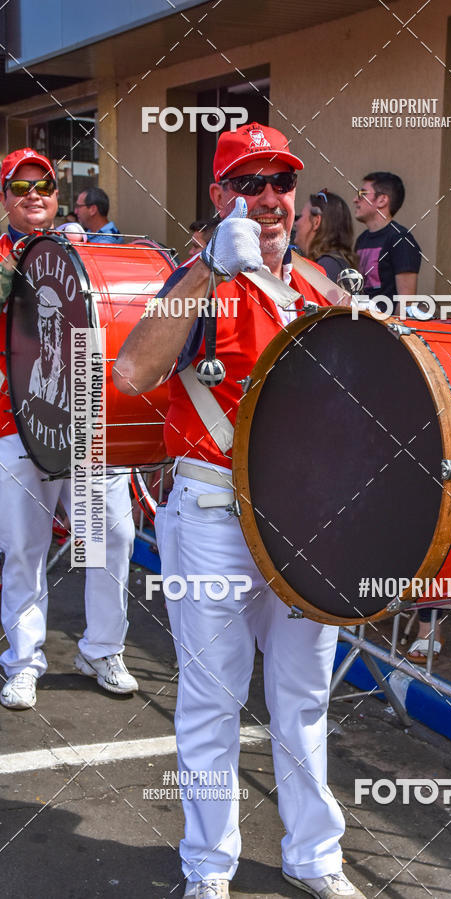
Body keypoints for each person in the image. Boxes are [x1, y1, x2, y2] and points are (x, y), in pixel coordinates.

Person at [114, 122, 365, 899]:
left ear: (300, 199)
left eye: (280, 182)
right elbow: (130, 372)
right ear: (220, 196)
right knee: (213, 698)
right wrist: (205, 273)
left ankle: (315, 855)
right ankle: (208, 866)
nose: (267, 199)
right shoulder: (199, 277)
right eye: (247, 183)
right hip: (215, 515)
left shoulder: (325, 289)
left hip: (307, 522)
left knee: (302, 698)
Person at [0, 147, 137, 710]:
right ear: (5, 198)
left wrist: (81, 255)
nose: (35, 195)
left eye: (45, 186)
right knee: (23, 549)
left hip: (84, 423)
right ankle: (24, 660)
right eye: (21, 187)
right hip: (16, 424)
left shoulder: (82, 251)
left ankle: (101, 648)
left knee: (108, 538)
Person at [353, 171, 421, 302]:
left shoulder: (401, 239)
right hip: (360, 319)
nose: (355, 199)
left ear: (382, 200)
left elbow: (406, 302)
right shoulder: (362, 239)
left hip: (384, 321)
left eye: (363, 194)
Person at [293, 189, 358, 281]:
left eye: (299, 217)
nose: (296, 223)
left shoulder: (326, 267)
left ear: (316, 222)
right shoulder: (334, 264)